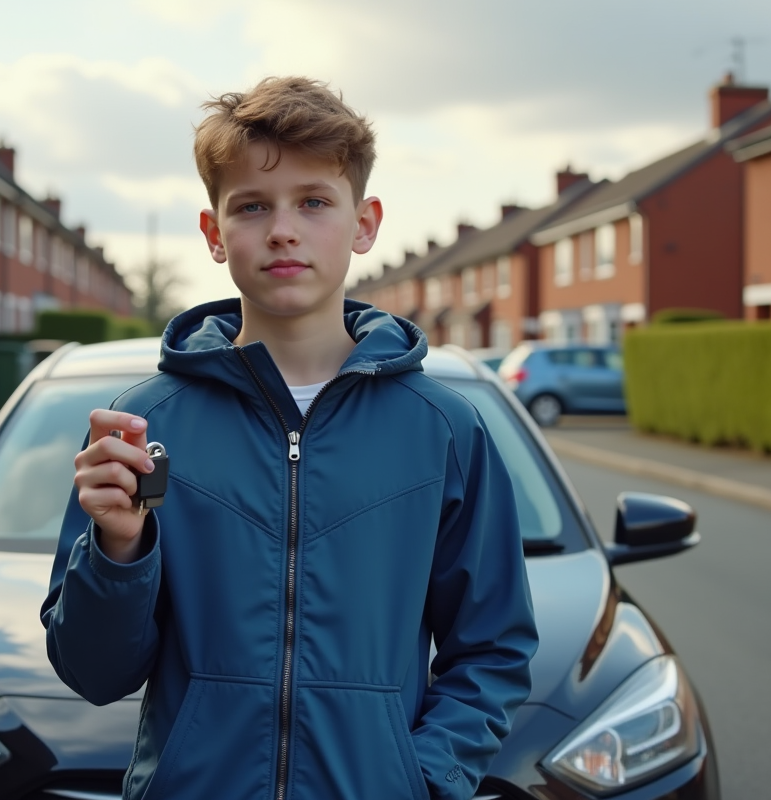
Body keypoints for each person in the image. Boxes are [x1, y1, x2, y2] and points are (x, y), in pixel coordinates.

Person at [41, 76, 538, 800]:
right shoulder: (144, 424)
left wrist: (422, 781)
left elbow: (491, 650)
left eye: (313, 201)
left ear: (364, 223)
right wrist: (119, 549)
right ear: (214, 234)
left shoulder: (446, 430)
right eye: (251, 206)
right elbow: (93, 673)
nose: (282, 229)